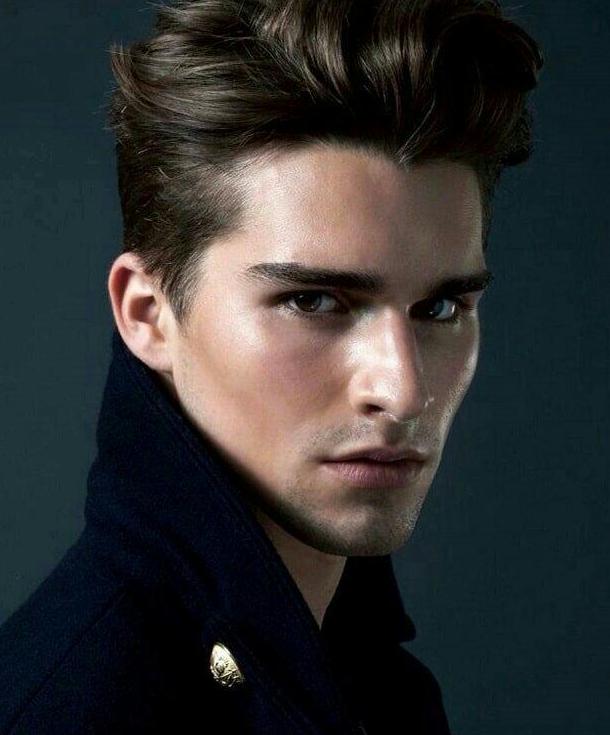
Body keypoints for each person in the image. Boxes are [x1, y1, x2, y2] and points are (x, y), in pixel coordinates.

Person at [0, 1, 543, 732]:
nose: (403, 388)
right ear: (148, 314)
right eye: (313, 301)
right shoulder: (73, 706)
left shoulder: (376, 684)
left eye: (440, 308)